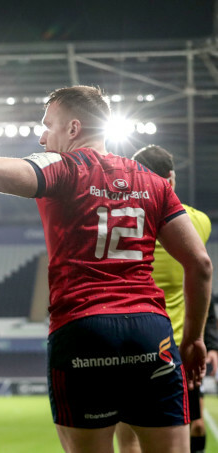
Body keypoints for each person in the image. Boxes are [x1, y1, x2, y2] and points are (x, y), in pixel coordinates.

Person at [0, 85, 213, 453]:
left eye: (48, 125)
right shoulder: (155, 184)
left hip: (82, 328)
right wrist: (193, 340)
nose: (42, 135)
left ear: (73, 129)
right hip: (150, 333)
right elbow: (201, 265)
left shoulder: (64, 168)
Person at [115, 144, 216, 453]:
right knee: (174, 435)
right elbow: (198, 266)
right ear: (170, 179)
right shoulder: (197, 222)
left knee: (128, 434)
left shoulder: (118, 219)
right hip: (171, 346)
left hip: (125, 339)